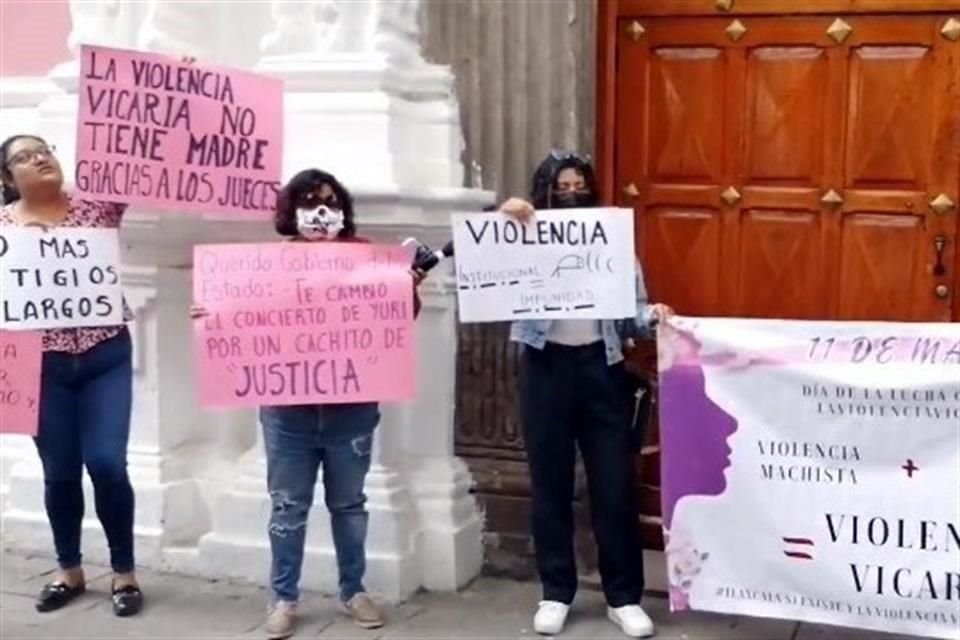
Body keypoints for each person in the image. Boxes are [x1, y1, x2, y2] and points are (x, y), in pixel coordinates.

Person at [193, 169, 424, 640]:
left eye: (332, 201)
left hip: (351, 407)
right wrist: (210, 311)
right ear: (289, 211)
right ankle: (283, 598)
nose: (322, 210)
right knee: (288, 506)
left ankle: (353, 590)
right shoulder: (264, 266)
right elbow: (241, 318)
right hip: (288, 411)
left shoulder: (365, 257)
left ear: (345, 210)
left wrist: (406, 287)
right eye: (310, 200)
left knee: (350, 504)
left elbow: (402, 315)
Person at [498, 150, 672, 638]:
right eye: (562, 186)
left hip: (602, 367)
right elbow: (485, 265)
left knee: (614, 485)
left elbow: (631, 315)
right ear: (545, 190)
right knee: (549, 483)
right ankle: (555, 591)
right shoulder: (525, 235)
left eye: (580, 185)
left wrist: (652, 315)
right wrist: (506, 221)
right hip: (545, 367)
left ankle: (624, 597)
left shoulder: (611, 241)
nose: (572, 193)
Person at [0, 134, 143, 616]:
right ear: (7, 178)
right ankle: (69, 570)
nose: (40, 158)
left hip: (105, 356)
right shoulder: (1, 230)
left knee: (107, 463)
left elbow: (140, 154)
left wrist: (162, 90)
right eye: (24, 156)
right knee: (59, 471)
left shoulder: (96, 204)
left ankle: (124, 573)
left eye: (44, 150)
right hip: (40, 366)